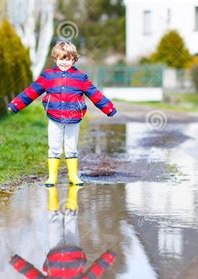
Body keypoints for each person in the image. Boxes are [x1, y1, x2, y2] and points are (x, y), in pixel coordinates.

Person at [8, 41, 117, 187]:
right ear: (55, 58)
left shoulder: (80, 77)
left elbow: (95, 94)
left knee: (71, 147)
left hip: (74, 119)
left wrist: (109, 108)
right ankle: (52, 177)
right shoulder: (48, 76)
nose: (64, 62)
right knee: (54, 147)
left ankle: (73, 176)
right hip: (54, 118)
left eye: (68, 59)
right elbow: (32, 91)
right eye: (61, 59)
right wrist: (16, 104)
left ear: (74, 59)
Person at [9, 185, 116, 279]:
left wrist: (16, 262)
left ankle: (51, 189)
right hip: (74, 251)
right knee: (70, 218)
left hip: (55, 252)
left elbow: (32, 275)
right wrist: (108, 258)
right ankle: (74, 189)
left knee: (54, 221)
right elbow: (94, 272)